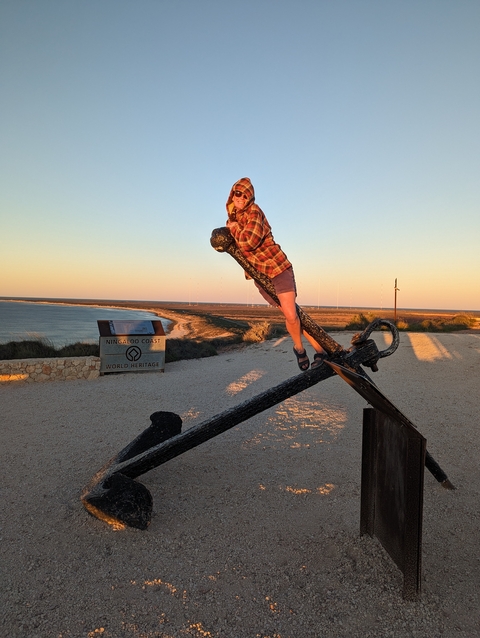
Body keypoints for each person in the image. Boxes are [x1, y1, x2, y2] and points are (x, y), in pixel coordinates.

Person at [225, 177, 327, 371]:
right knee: (293, 315)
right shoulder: (233, 219)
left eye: (245, 195)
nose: (240, 198)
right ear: (232, 194)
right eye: (237, 193)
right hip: (260, 276)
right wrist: (233, 226)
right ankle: (314, 350)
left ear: (250, 197)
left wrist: (235, 229)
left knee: (291, 314)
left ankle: (303, 349)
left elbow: (248, 242)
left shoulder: (254, 213)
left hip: (277, 267)